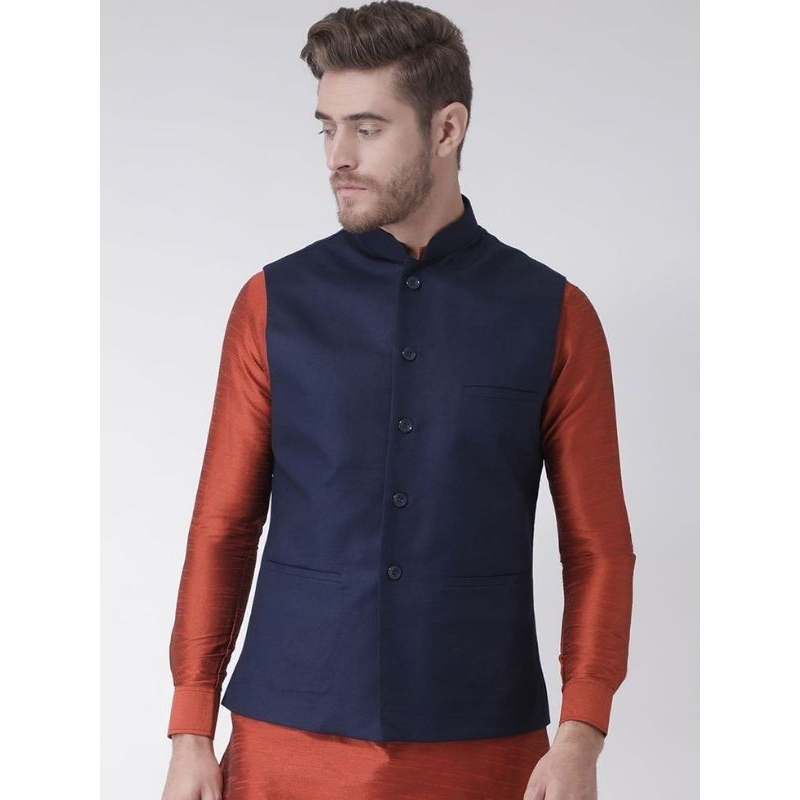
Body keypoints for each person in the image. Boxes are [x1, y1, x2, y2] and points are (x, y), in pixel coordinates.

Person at [161, 2, 636, 798]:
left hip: (483, 742)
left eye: (368, 128)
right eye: (327, 128)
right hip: (287, 740)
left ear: (447, 129)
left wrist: (580, 736)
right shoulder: (273, 303)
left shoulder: (553, 314)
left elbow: (598, 549)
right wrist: (190, 730)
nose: (337, 157)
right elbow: (222, 527)